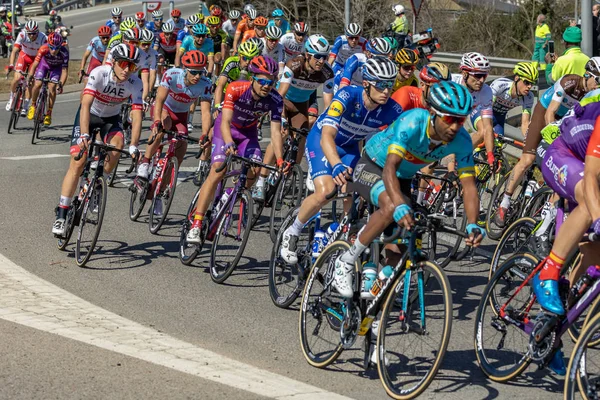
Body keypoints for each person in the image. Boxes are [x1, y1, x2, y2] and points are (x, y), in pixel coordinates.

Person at [333, 81, 483, 299]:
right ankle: (346, 259)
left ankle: (375, 300)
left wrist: (472, 224)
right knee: (392, 205)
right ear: (433, 112)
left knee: (401, 251)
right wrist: (400, 204)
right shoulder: (413, 122)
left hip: (402, 178)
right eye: (449, 119)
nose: (455, 127)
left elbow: (468, 186)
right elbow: (389, 168)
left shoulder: (462, 141)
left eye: (461, 120)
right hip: (374, 165)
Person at [279, 57, 404, 264]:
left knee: (356, 194)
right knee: (327, 191)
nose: (386, 91)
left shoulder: (392, 109)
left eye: (390, 85)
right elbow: (327, 135)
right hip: (322, 141)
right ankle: (293, 231)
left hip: (350, 148)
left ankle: (343, 235)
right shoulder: (346, 96)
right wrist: (336, 165)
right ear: (366, 83)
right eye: (381, 85)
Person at [530, 100, 600, 375]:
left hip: (586, 163)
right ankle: (548, 271)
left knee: (595, 257)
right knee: (589, 198)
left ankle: (552, 329)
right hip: (560, 152)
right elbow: (593, 177)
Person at [186, 55, 285, 244]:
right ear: (252, 79)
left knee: (254, 171)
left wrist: (279, 160)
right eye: (262, 81)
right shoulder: (236, 88)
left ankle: (227, 196)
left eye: (271, 82)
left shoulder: (275, 99)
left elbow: (275, 133)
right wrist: (229, 142)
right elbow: (225, 121)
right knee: (218, 171)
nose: (266, 85)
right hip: (226, 130)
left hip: (248, 134)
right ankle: (196, 224)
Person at [494, 58, 600, 227]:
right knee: (527, 160)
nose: (598, 85)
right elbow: (550, 112)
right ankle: (504, 203)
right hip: (544, 114)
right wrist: (551, 136)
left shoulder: (592, 95)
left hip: (563, 121)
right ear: (588, 75)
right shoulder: (569, 82)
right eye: (598, 80)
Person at [52, 44, 143, 236]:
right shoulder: (99, 73)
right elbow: (85, 105)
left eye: (132, 66)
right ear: (114, 62)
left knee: (118, 145)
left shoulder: (135, 82)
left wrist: (134, 144)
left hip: (110, 120)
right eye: (124, 64)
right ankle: (61, 214)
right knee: (77, 162)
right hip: (90, 115)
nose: (127, 70)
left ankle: (98, 185)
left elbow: (137, 115)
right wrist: (84, 135)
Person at [254, 34, 335, 201]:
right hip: (283, 102)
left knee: (301, 138)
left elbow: (328, 103)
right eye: (317, 56)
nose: (321, 61)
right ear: (307, 54)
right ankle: (261, 180)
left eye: (324, 57)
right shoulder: (294, 64)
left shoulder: (327, 73)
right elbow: (280, 93)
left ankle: (288, 174)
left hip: (301, 106)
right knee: (280, 136)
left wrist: (328, 121)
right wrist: (281, 118)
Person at [136, 50, 213, 216]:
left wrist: (205, 134)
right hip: (165, 110)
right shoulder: (172, 75)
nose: (197, 76)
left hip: (181, 116)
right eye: (194, 72)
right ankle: (145, 162)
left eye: (201, 72)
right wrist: (156, 121)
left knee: (181, 146)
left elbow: (206, 112)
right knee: (164, 124)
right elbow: (160, 100)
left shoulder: (205, 84)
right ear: (185, 69)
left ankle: (158, 194)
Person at [452, 52, 494, 163]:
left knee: (483, 131)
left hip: (468, 110)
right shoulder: (451, 82)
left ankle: (459, 157)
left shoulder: (486, 91)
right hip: (446, 117)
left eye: (484, 76)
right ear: (465, 74)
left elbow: (488, 127)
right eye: (478, 75)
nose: (481, 80)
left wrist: (490, 155)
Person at [26, 32, 68, 126]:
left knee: (52, 87)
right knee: (37, 84)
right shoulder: (43, 48)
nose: (54, 50)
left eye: (57, 48)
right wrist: (30, 76)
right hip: (44, 65)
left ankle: (49, 113)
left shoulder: (64, 52)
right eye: (51, 47)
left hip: (56, 68)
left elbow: (65, 71)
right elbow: (35, 64)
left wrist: (61, 84)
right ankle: (33, 105)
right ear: (48, 44)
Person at [5, 21, 47, 116]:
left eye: (33, 33)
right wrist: (11, 64)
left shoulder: (43, 38)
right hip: (24, 56)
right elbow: (14, 51)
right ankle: (11, 98)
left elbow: (46, 54)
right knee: (17, 78)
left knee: (31, 81)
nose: (31, 36)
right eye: (29, 33)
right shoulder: (22, 35)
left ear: (38, 32)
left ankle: (26, 105)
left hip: (36, 59)